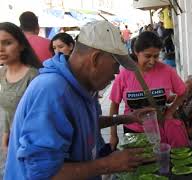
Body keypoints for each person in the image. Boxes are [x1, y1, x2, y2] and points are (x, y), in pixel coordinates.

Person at [4, 21, 152, 180]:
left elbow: (84, 124)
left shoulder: (83, 86)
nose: (116, 73)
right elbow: (41, 173)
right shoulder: (52, 91)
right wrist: (108, 164)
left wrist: (126, 118)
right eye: (115, 65)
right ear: (95, 59)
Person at [109, 31, 189, 149]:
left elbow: (183, 92)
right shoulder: (124, 74)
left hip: (160, 130)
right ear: (136, 52)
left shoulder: (167, 71)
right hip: (133, 132)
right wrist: (113, 135)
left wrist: (170, 112)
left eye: (156, 56)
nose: (152, 61)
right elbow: (114, 105)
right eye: (147, 56)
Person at [0, 22, 42, 176]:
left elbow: (40, 118)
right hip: (13, 140)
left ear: (21, 45)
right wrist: (6, 133)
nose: (1, 49)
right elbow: (6, 109)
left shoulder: (34, 77)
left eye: (8, 43)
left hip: (32, 145)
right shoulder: (2, 73)